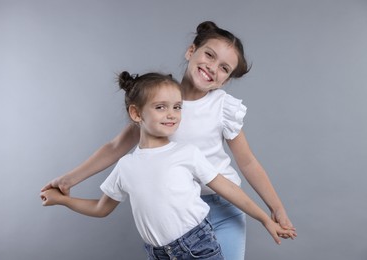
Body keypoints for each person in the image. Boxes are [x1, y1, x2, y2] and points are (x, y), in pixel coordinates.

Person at [41, 21, 296, 259]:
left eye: (224, 68)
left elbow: (248, 162)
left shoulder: (223, 107)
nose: (212, 68)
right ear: (191, 51)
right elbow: (115, 147)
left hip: (225, 206)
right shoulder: (159, 102)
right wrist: (67, 180)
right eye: (209, 55)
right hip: (178, 211)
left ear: (226, 80)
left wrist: (276, 208)